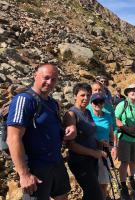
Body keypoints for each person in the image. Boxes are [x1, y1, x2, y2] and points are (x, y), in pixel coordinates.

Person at [6, 64, 76, 200]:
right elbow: (13, 138)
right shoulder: (24, 100)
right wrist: (24, 174)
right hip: (36, 167)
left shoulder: (53, 103)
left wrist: (69, 128)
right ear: (35, 76)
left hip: (56, 162)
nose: (49, 82)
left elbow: (51, 129)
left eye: (54, 79)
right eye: (46, 78)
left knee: (62, 196)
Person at [64, 83, 106, 200]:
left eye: (88, 95)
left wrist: (99, 142)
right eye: (82, 95)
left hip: (91, 160)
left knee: (90, 194)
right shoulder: (71, 114)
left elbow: (89, 133)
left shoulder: (87, 112)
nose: (86, 98)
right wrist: (94, 153)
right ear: (74, 96)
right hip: (80, 162)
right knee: (95, 194)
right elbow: (71, 145)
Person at [112, 84, 135, 199]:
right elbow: (115, 119)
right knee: (125, 162)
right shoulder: (123, 104)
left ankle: (132, 182)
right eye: (132, 91)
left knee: (133, 161)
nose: (134, 93)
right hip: (125, 138)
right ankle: (123, 186)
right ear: (127, 93)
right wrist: (126, 128)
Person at [87, 92, 114, 200]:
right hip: (91, 151)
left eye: (101, 102)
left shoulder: (107, 116)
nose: (98, 104)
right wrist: (98, 141)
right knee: (94, 183)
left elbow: (111, 134)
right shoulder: (88, 115)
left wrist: (111, 146)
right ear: (91, 103)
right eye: (95, 102)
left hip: (105, 151)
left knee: (104, 182)